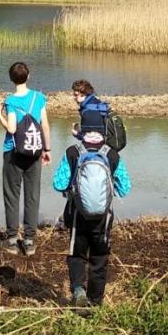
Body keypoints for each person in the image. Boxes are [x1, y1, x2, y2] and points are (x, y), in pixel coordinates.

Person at [53, 127, 131, 306]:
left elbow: (58, 183)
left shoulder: (73, 152)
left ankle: (78, 290)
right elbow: (124, 188)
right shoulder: (112, 154)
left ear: (82, 130)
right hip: (103, 219)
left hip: (77, 215)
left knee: (76, 255)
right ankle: (95, 302)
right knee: (99, 258)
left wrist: (73, 190)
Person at [0, 61, 52, 256]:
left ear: (11, 79)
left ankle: (12, 240)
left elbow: (11, 129)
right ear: (28, 77)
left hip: (13, 151)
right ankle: (29, 241)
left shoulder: (10, 101)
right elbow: (45, 125)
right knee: (32, 194)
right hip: (35, 151)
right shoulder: (38, 97)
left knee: (12, 195)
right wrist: (47, 149)